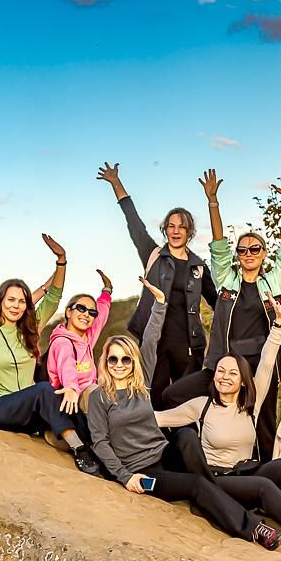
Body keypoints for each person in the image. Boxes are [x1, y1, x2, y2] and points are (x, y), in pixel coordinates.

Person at [87, 279, 281, 550]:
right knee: (194, 485)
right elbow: (100, 442)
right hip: (142, 469)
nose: (120, 364)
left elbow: (151, 340)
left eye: (126, 359)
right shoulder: (100, 397)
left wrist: (159, 303)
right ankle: (253, 528)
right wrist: (124, 476)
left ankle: (216, 490)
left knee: (187, 436)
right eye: (113, 359)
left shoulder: (140, 385)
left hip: (164, 453)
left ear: (133, 362)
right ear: (105, 362)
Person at [155, 293, 281, 560]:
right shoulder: (201, 405)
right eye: (220, 371)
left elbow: (268, 360)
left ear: (244, 381)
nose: (224, 377)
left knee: (280, 466)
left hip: (242, 473)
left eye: (232, 373)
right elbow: (158, 418)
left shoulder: (251, 404)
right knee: (263, 487)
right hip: (216, 482)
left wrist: (279, 326)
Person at [162, 173, 281, 461]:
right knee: (172, 396)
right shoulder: (226, 280)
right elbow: (218, 245)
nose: (248, 253)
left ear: (264, 254)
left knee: (262, 424)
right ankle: (196, 450)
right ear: (238, 255)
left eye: (255, 249)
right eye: (243, 250)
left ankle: (261, 475)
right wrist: (213, 201)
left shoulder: (270, 285)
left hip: (255, 371)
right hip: (220, 365)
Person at [0, 235, 103, 477]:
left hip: (26, 409)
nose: (16, 305)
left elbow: (54, 296)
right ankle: (79, 450)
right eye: (11, 300)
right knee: (45, 389)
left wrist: (61, 262)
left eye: (22, 301)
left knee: (66, 400)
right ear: (1, 301)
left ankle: (96, 452)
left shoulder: (30, 328)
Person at [97, 161, 217, 408]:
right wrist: (116, 184)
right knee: (154, 399)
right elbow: (134, 223)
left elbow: (217, 302)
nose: (176, 231)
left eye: (181, 227)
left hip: (189, 345)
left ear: (190, 232)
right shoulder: (153, 255)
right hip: (155, 342)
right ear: (165, 230)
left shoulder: (198, 266)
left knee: (186, 404)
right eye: (171, 226)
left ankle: (183, 445)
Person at [46, 269, 113, 414]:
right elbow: (67, 365)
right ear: (69, 312)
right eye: (81, 308)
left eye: (91, 312)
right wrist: (71, 387)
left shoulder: (87, 337)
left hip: (86, 398)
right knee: (97, 392)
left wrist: (107, 290)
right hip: (68, 399)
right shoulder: (62, 342)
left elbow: (101, 313)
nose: (86, 314)